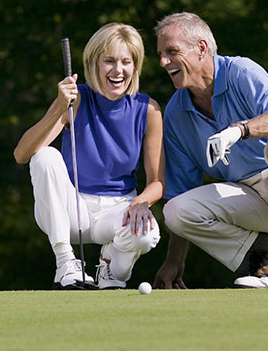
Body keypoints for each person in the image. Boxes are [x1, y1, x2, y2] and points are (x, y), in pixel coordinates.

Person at [152, 12, 268, 289]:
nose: (163, 62)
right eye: (160, 54)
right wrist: (174, 261)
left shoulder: (240, 71)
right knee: (176, 210)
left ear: (202, 48)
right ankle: (267, 258)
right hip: (256, 197)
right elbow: (182, 190)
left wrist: (239, 130)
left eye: (172, 52)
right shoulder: (176, 113)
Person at [14, 23, 165, 290]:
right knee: (45, 156)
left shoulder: (149, 109)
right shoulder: (76, 99)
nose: (118, 70)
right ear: (94, 64)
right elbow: (23, 154)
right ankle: (65, 262)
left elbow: (157, 182)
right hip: (71, 211)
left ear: (135, 66)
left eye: (126, 62)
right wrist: (59, 108)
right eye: (109, 61)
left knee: (147, 234)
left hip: (119, 209)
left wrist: (141, 201)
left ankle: (110, 266)